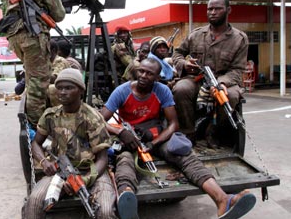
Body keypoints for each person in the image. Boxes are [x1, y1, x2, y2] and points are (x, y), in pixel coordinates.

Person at [100, 58, 256, 219]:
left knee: (186, 156)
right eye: (141, 71)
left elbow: (173, 124)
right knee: (124, 161)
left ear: (157, 78)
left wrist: (154, 143)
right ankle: (127, 200)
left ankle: (223, 200)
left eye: (149, 73)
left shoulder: (162, 91)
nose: (143, 75)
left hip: (155, 136)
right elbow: (98, 120)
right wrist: (120, 133)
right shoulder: (122, 91)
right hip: (130, 138)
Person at [23, 68, 117, 219]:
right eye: (59, 88)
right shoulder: (50, 115)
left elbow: (102, 159)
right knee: (33, 203)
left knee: (105, 211)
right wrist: (43, 161)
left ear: (80, 90)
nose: (62, 92)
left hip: (91, 171)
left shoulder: (92, 117)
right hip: (59, 170)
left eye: (68, 88)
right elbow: (35, 143)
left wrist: (85, 180)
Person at [1, 0, 65, 127]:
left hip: (15, 36)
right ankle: (36, 132)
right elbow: (59, 14)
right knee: (38, 85)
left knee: (32, 79)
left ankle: (36, 121)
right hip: (33, 35)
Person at [172, 0, 248, 146]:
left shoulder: (239, 38)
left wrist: (222, 83)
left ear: (228, 10)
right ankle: (189, 132)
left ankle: (212, 131)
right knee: (180, 89)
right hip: (198, 79)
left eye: (217, 9)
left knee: (231, 96)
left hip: (223, 80)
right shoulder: (196, 35)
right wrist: (185, 64)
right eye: (210, 9)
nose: (212, 12)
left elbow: (238, 69)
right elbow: (177, 53)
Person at [47, 39, 71, 106]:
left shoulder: (59, 61)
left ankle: (58, 110)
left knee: (52, 88)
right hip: (63, 87)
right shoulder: (48, 62)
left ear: (53, 50)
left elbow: (54, 79)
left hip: (68, 87)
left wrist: (38, 73)